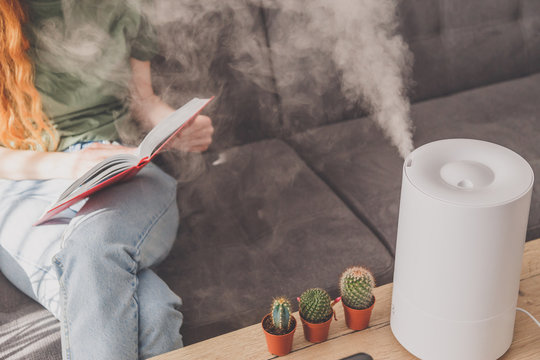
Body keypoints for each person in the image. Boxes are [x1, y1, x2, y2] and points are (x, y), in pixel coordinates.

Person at [0, 0, 213, 359]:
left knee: (93, 243)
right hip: (25, 180)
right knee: (153, 314)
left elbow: (142, 101)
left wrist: (176, 127)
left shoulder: (125, 7)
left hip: (118, 165)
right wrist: (69, 166)